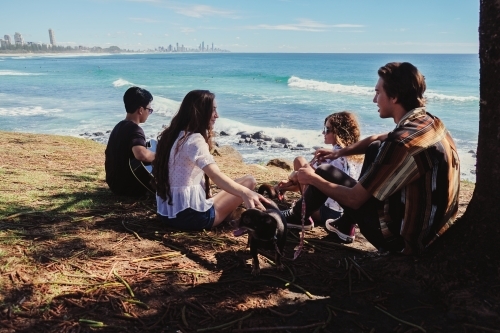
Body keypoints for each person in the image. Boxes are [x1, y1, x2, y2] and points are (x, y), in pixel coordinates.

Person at [281, 62, 460, 255]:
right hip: (435, 229)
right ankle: (343, 224)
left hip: (404, 242)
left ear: (395, 97)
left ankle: (296, 216)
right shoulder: (428, 122)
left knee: (323, 172)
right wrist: (338, 153)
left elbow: (354, 199)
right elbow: (375, 139)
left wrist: (312, 178)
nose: (375, 99)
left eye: (378, 92)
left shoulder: (400, 144)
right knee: (375, 147)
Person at [153, 90, 267, 231]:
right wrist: (245, 192)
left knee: (238, 185)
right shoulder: (194, 140)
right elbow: (214, 175)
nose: (216, 116)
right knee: (249, 181)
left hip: (167, 214)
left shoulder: (170, 136)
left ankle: (229, 212)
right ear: (200, 112)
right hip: (192, 218)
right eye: (213, 110)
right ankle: (230, 214)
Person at [275, 111, 361, 231]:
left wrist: (294, 176)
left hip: (327, 211)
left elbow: (313, 184)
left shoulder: (335, 159)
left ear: (338, 132)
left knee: (300, 162)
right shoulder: (357, 156)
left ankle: (302, 216)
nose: (323, 133)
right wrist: (289, 186)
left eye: (327, 129)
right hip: (344, 211)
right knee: (303, 167)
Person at [105, 86, 156, 196]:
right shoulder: (135, 129)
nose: (149, 113)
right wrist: (161, 156)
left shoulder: (119, 126)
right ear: (141, 110)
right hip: (128, 187)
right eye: (149, 110)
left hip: (114, 183)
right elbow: (141, 154)